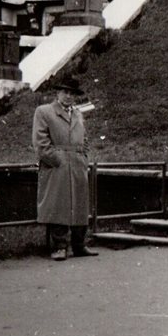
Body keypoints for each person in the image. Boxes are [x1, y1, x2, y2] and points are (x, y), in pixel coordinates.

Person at [32, 77, 98, 260]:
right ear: (57, 93)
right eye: (65, 92)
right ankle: (59, 246)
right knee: (58, 205)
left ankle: (79, 245)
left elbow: (84, 140)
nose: (69, 96)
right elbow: (40, 143)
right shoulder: (44, 112)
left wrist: (83, 158)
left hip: (77, 165)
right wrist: (58, 160)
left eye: (72, 93)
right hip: (57, 166)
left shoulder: (78, 114)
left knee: (79, 205)